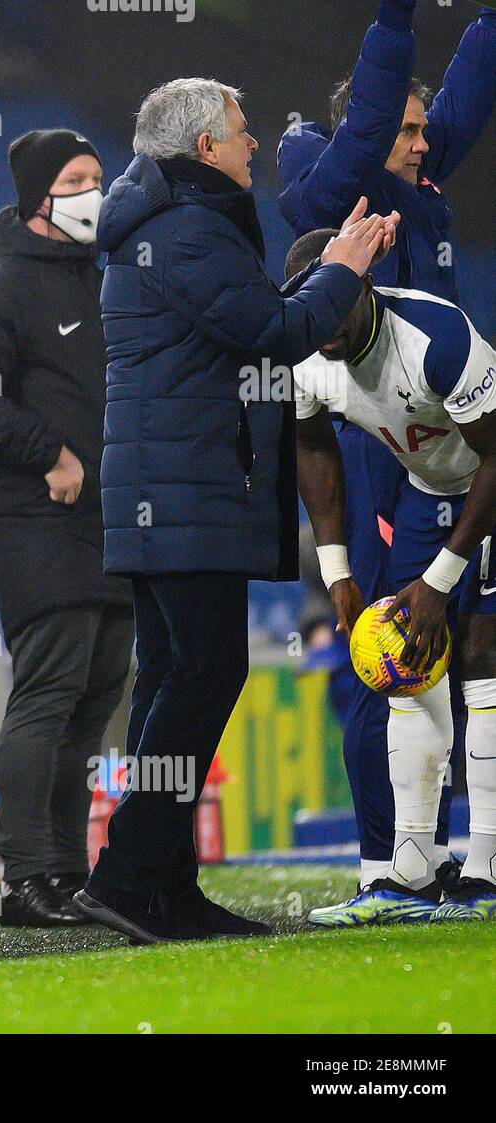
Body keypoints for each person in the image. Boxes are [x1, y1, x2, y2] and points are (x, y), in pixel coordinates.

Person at [72, 78, 396, 944]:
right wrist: (342, 270)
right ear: (204, 149)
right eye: (243, 132)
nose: (254, 144)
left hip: (163, 490)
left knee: (173, 676)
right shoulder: (188, 232)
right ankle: (128, 873)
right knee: (205, 674)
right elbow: (279, 332)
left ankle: (165, 889)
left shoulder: (161, 227)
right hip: (185, 490)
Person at [277, 0, 496, 900]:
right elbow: (364, 126)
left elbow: (463, 102)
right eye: (402, 131)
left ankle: (451, 857)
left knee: (471, 652)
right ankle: (386, 855)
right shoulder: (342, 190)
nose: (419, 141)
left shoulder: (420, 195)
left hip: (458, 444)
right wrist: (393, 17)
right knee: (389, 652)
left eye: (419, 129)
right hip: (391, 456)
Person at [0, 130, 133, 927]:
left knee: (93, 701)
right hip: (39, 520)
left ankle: (66, 870)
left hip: (109, 520)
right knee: (48, 693)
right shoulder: (1, 285)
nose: (95, 190)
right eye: (78, 179)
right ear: (39, 197)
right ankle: (23, 878)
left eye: (98, 176)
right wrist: (46, 448)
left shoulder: (96, 279)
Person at [286, 228, 496, 923]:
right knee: (407, 661)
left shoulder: (437, 338)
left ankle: (486, 869)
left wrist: (440, 579)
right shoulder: (303, 351)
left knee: (480, 657)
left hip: (489, 482)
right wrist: (336, 566)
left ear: (363, 286)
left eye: (330, 308)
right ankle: (409, 870)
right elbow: (312, 442)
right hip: (428, 489)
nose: (321, 329)